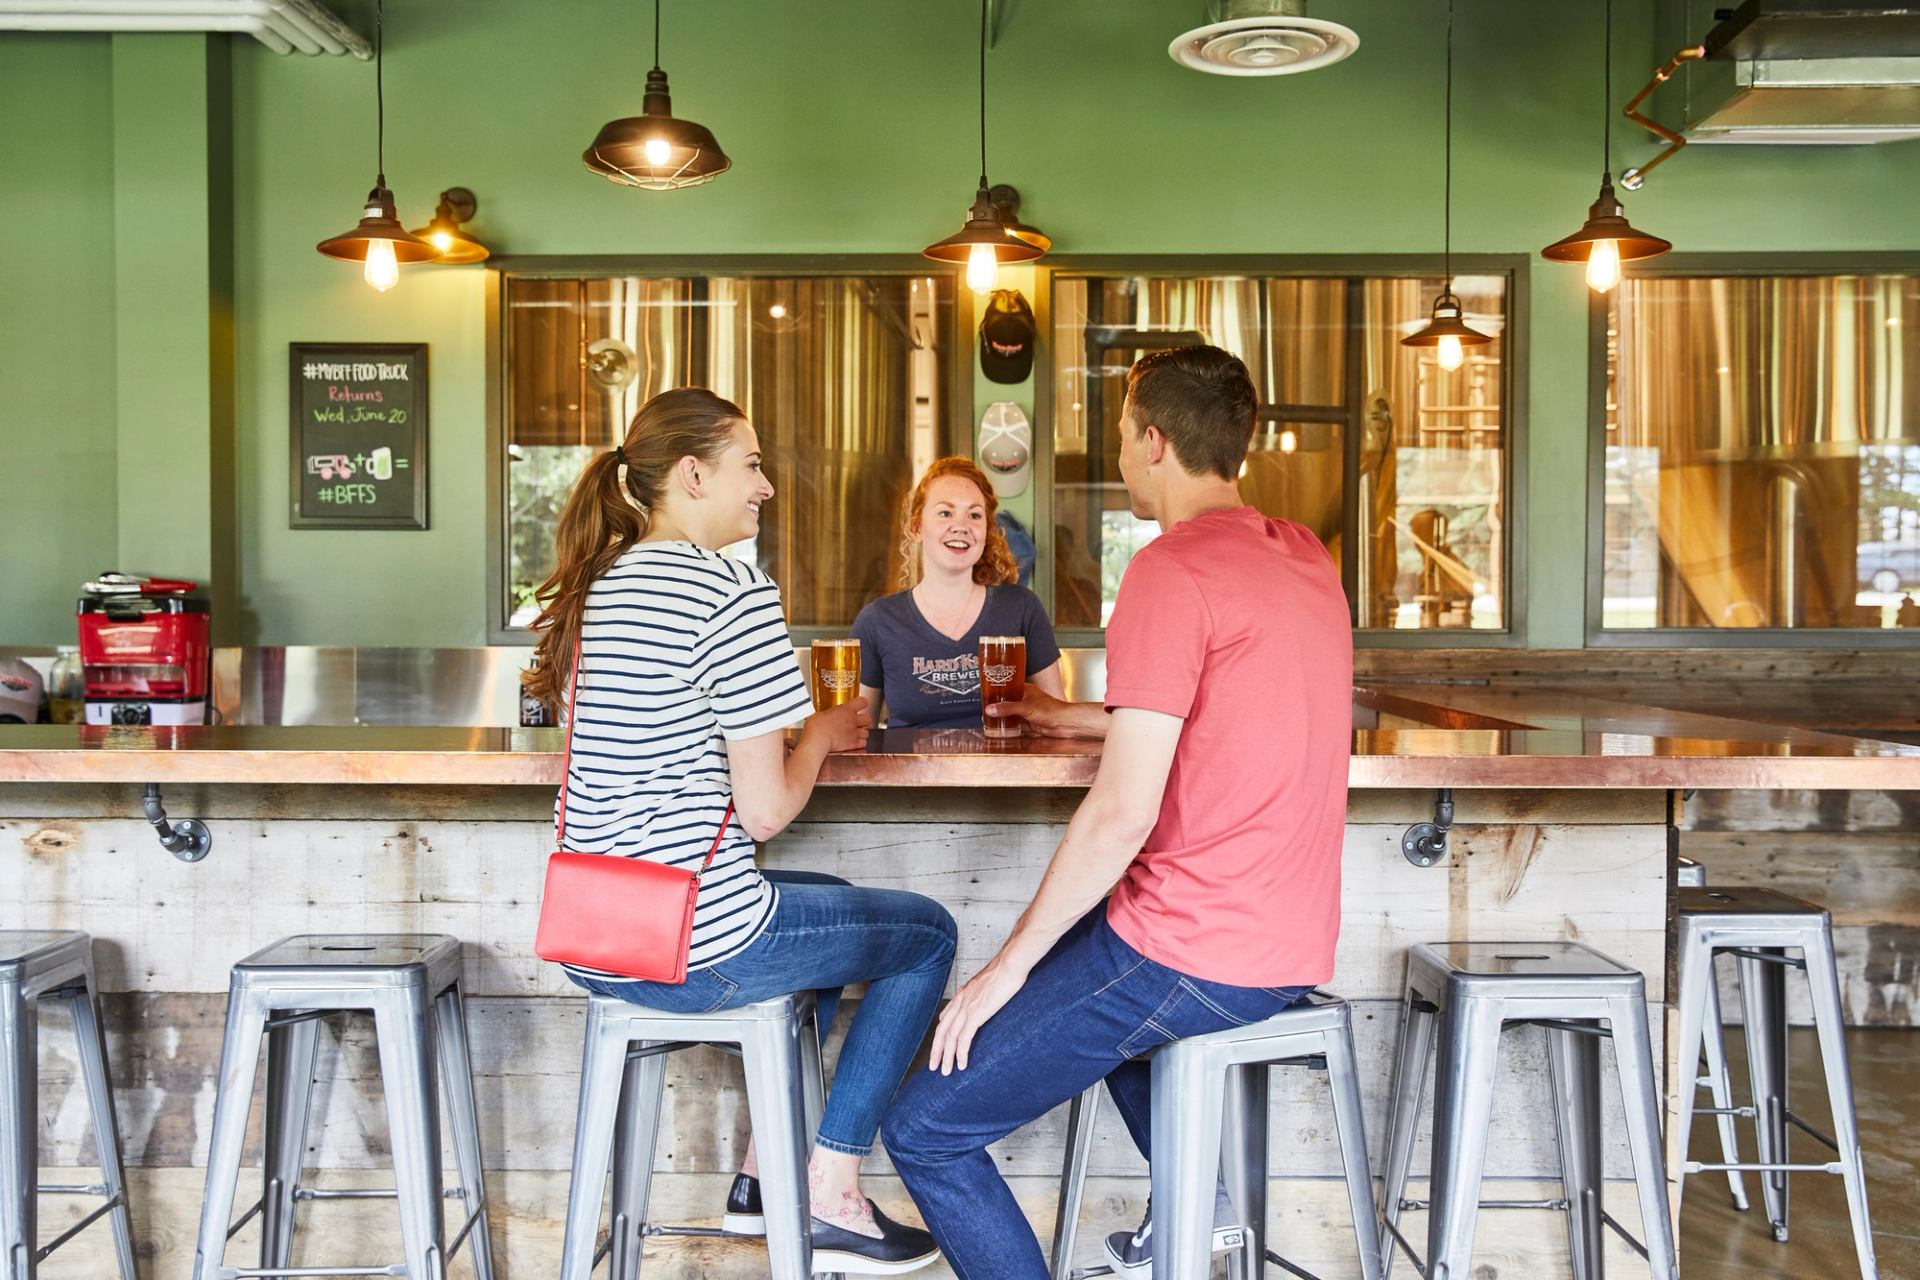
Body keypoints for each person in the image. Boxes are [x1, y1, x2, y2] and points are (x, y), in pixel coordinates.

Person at [881, 347, 1354, 1279]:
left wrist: (1000, 973)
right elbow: (1217, 703)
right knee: (1094, 983)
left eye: (1123, 436)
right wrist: (1073, 716)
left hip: (1191, 951)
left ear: (1151, 440)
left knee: (925, 1129)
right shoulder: (1304, 556)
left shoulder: (1170, 571)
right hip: (1288, 941)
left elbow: (1121, 813)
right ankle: (1198, 1209)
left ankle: (1192, 1210)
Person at [524, 387, 954, 1275]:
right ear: (691, 474)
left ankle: (765, 1179)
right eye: (750, 465)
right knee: (925, 938)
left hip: (595, 938)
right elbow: (766, 810)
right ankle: (832, 1192)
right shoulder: (731, 590)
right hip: (699, 947)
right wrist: (824, 739)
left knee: (828, 905)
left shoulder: (595, 588)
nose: (764, 488)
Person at [850, 456, 1064, 728]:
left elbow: (1058, 721)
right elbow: (857, 733)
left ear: (987, 531)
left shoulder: (1021, 608)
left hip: (1005, 770)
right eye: (945, 513)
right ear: (916, 527)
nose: (961, 526)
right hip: (910, 771)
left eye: (974, 515)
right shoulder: (877, 622)